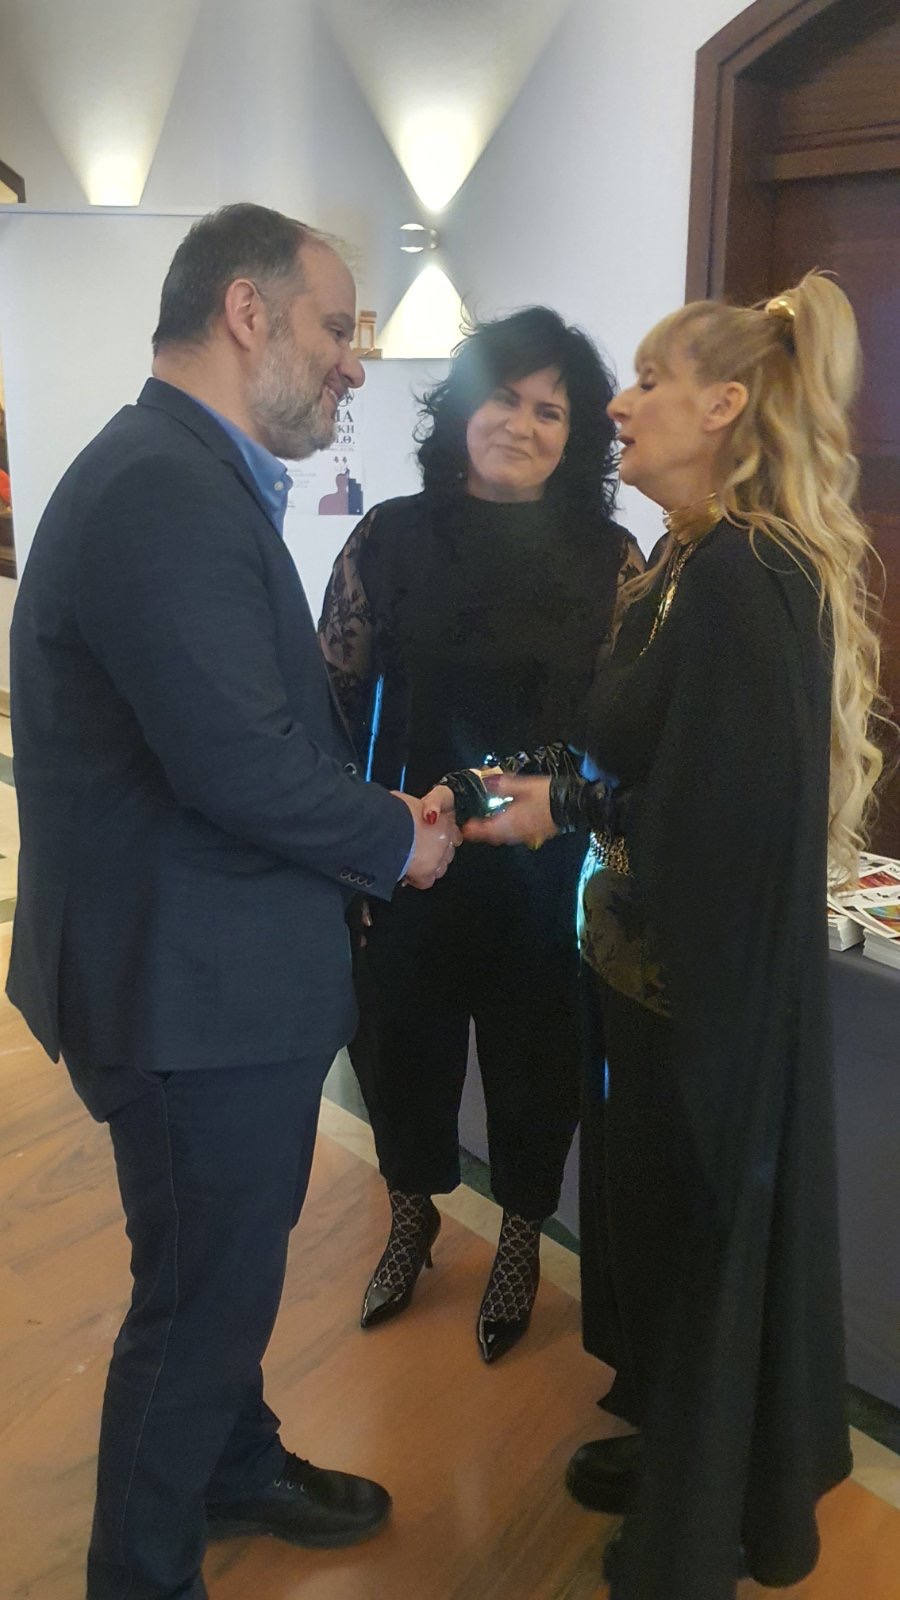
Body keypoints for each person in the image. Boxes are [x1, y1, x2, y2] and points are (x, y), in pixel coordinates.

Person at [7, 203, 458, 1600]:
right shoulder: (162, 485)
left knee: (217, 1271)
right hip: (186, 995)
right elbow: (238, 765)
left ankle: (231, 1464)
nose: (354, 362)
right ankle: (141, 1573)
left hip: (197, 976)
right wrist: (396, 836)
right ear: (246, 311)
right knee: (199, 1304)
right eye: (335, 327)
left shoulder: (184, 470)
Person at [440, 274, 884, 1597]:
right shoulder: (692, 560)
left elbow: (714, 822)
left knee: (697, 1257)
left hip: (700, 1002)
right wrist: (558, 797)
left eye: (647, 381)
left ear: (726, 405)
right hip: (648, 979)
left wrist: (572, 811)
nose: (617, 408)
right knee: (658, 1244)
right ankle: (683, 1452)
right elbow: (665, 767)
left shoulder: (746, 573)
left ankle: (693, 1535)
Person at [318, 308, 642, 1361]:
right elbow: (332, 702)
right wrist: (352, 844)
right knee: (400, 1051)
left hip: (544, 876)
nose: (521, 423)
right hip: (410, 858)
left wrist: (559, 800)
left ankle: (519, 1240)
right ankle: (410, 1216)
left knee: (536, 1068)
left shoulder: (611, 559)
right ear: (464, 404)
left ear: (577, 436)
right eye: (504, 396)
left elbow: (628, 735)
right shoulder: (389, 536)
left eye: (550, 410)